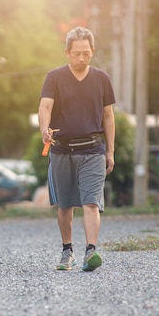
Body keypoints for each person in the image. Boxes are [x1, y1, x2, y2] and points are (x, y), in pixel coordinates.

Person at [38, 26, 115, 272]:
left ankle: (91, 251)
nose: (81, 58)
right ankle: (67, 250)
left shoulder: (102, 79)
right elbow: (45, 107)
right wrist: (44, 129)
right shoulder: (55, 77)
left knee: (91, 203)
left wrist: (110, 151)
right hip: (62, 151)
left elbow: (108, 117)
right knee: (65, 206)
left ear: (93, 51)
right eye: (76, 53)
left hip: (93, 150)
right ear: (67, 52)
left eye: (86, 53)